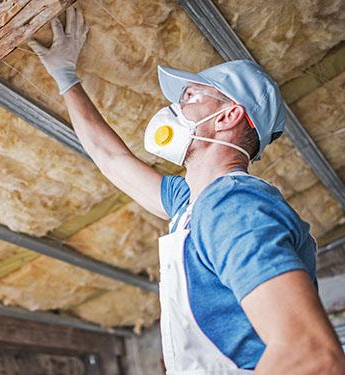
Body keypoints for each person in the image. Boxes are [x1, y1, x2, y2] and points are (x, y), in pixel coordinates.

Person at [28, 6, 345, 374]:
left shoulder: (233, 206)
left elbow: (312, 356)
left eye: (191, 97)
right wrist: (66, 78)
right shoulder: (192, 205)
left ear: (228, 117)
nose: (174, 107)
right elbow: (111, 158)